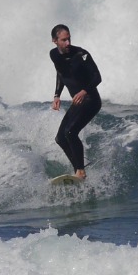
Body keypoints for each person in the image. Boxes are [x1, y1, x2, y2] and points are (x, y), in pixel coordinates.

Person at [49, 24, 102, 179]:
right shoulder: (54, 55)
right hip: (78, 103)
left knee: (70, 132)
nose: (68, 43)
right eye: (64, 40)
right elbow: (61, 73)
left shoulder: (82, 54)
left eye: (69, 39)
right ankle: (78, 170)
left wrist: (84, 91)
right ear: (55, 41)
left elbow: (97, 77)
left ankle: (81, 171)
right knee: (60, 138)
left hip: (91, 101)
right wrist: (57, 95)